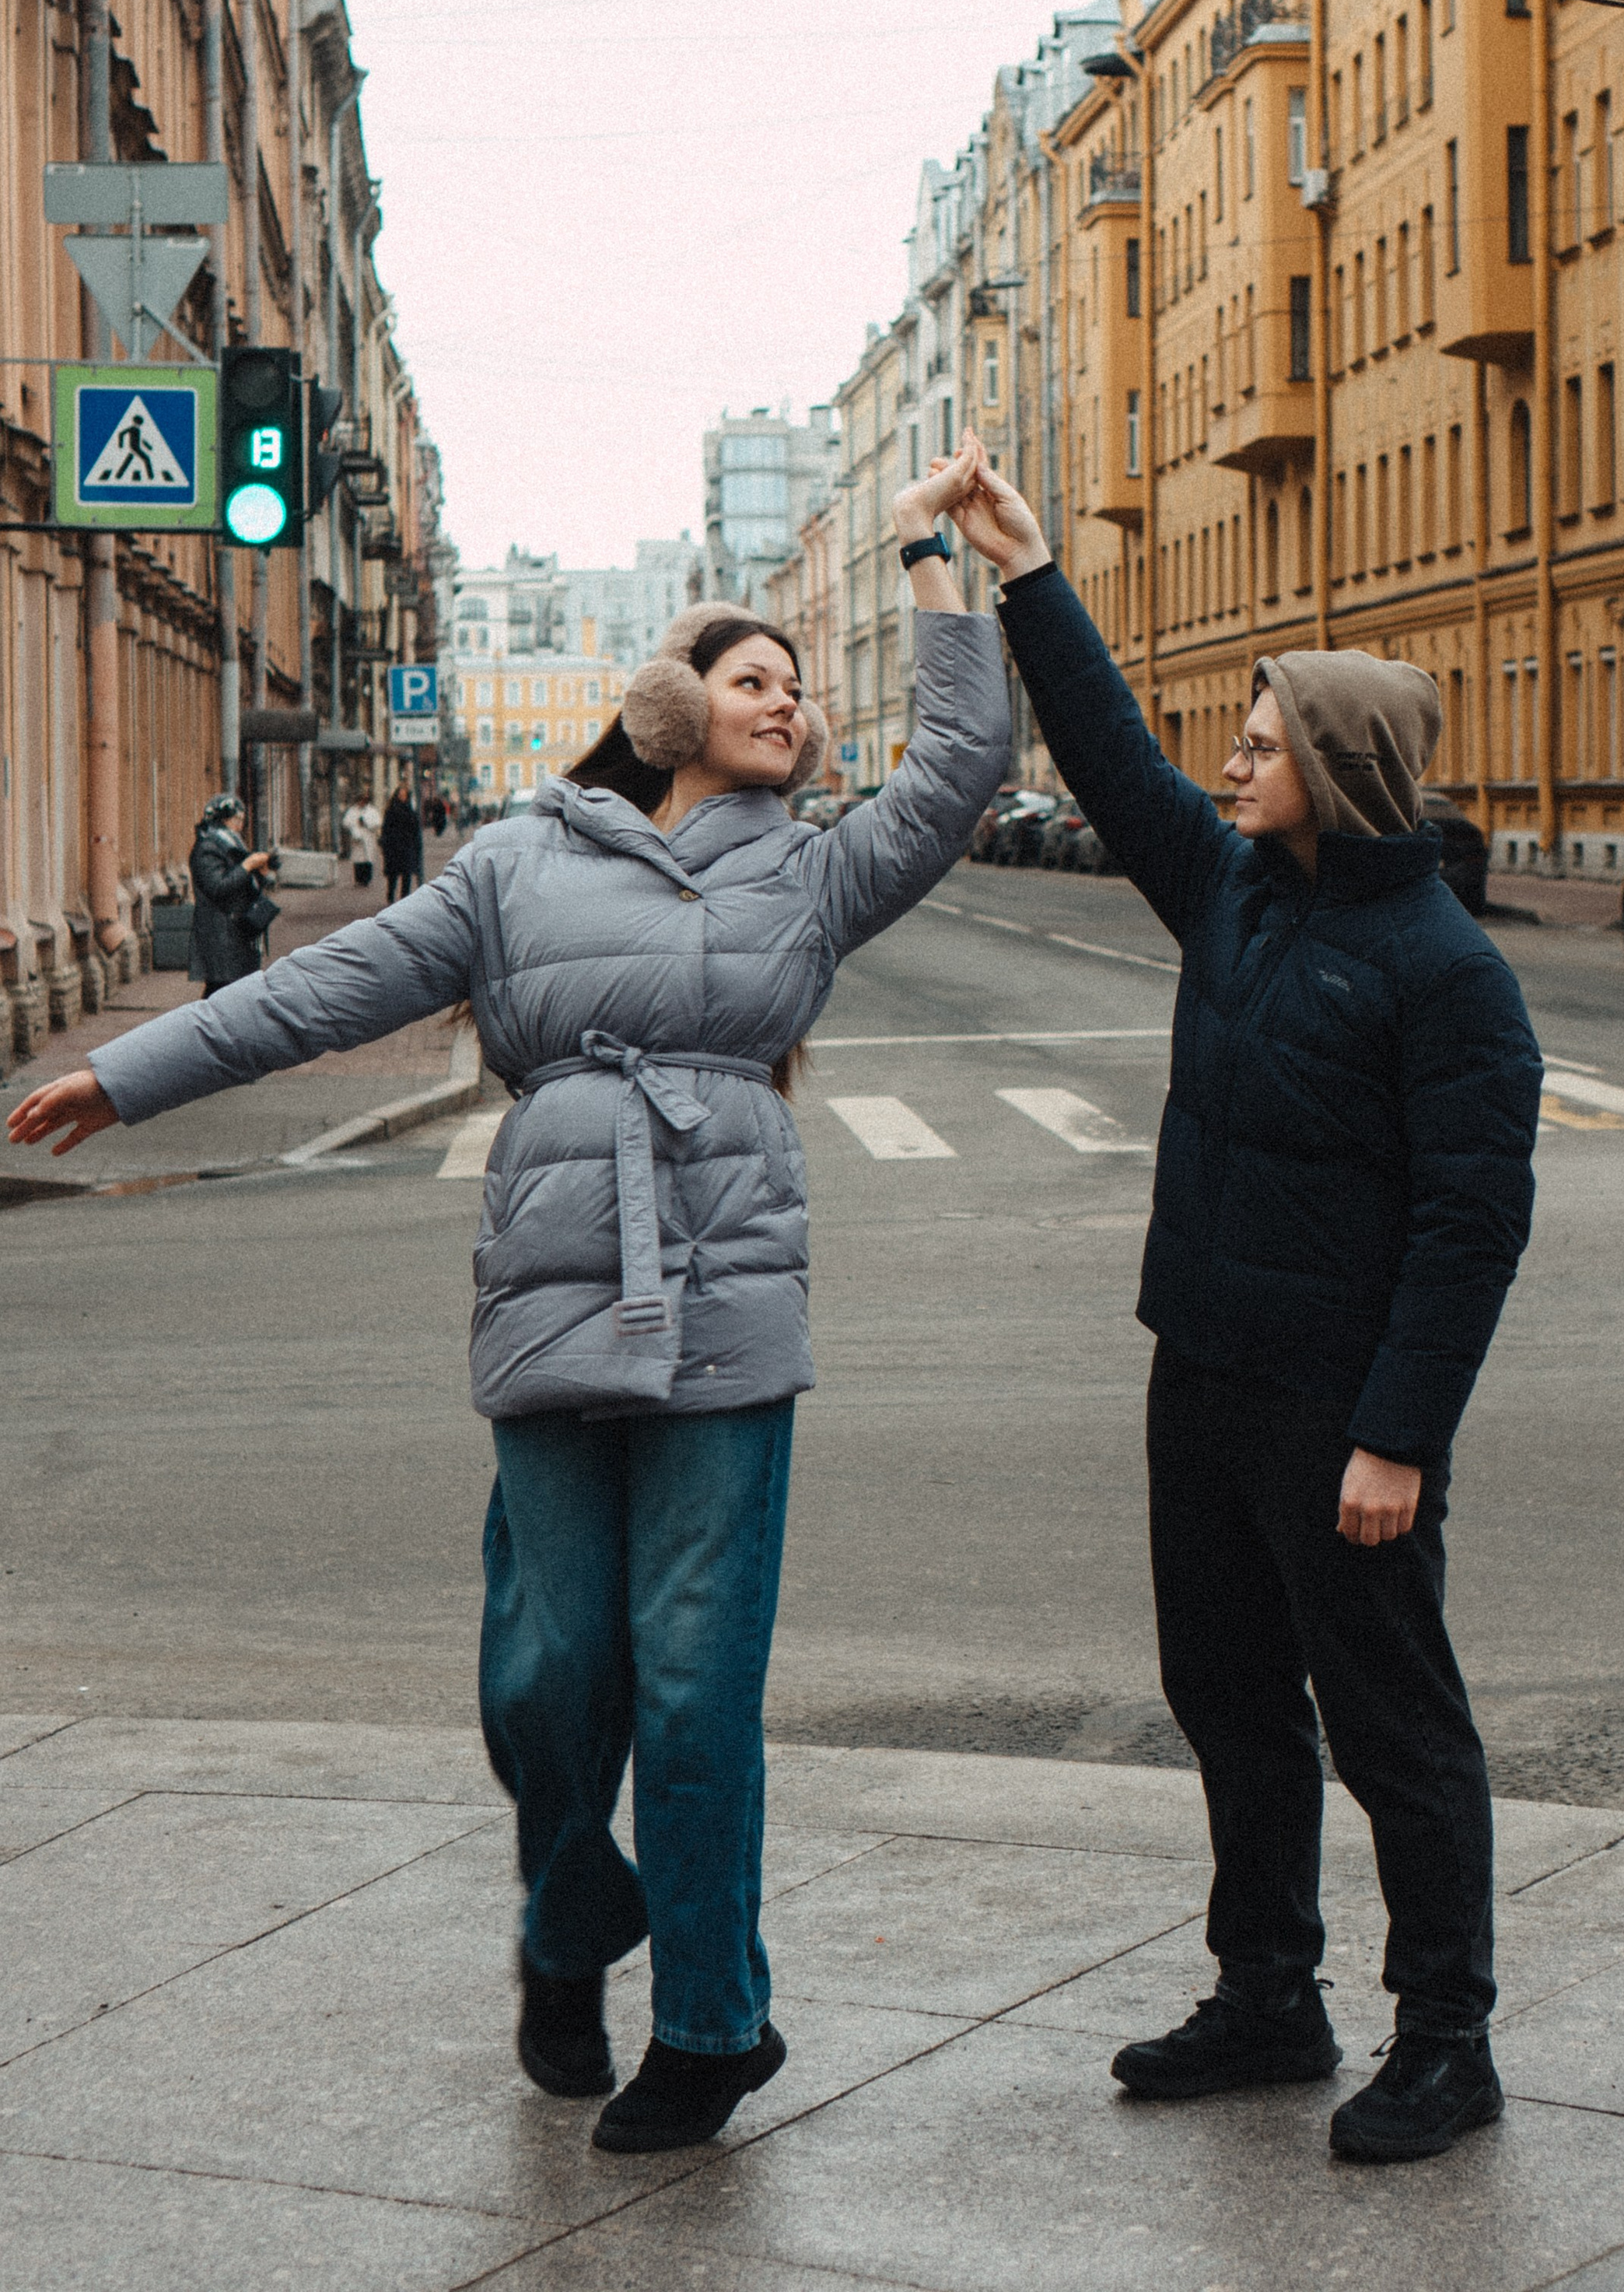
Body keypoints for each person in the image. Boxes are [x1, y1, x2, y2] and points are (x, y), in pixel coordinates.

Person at [7, 442, 1008, 2157]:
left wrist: (933, 553)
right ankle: (567, 1928)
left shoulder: (816, 870)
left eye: (793, 688)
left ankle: (710, 2023)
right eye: (746, 676)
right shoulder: (515, 864)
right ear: (668, 706)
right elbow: (324, 989)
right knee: (546, 1677)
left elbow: (965, 762)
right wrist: (134, 1071)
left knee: (696, 1686)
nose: (782, 700)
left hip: (730, 1293)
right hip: (553, 1279)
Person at [950, 457, 1542, 2165]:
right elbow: (1117, 761)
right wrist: (1025, 576)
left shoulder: (1445, 971)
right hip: (1198, 1371)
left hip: (1336, 1406)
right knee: (1221, 1691)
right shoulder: (1234, 900)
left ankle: (1447, 2037)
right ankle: (1269, 1997)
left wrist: (1397, 1436)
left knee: (1392, 1726)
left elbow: (1470, 1226)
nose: (1232, 761)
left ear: (1336, 771)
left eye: (1263, 741)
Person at [187, 793, 278, 998]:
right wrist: (248, 865)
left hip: (236, 930)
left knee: (230, 992)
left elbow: (243, 884)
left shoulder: (231, 844)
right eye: (236, 819)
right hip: (220, 932)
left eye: (242, 820)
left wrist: (260, 873)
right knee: (221, 993)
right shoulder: (207, 848)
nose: (240, 825)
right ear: (222, 819)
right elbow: (217, 887)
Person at [380, 782, 424, 902]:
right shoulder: (391, 811)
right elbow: (386, 829)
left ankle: (404, 899)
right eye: (401, 795)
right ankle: (390, 897)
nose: (402, 797)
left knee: (407, 874)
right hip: (393, 847)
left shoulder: (411, 811)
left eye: (405, 795)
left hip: (407, 847)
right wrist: (385, 845)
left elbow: (415, 830)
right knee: (393, 876)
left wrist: (416, 845)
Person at [342, 793, 382, 888]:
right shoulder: (352, 811)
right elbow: (346, 822)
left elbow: (377, 822)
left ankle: (366, 880)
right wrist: (354, 825)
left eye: (363, 801)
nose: (361, 803)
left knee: (368, 859)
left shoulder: (372, 811)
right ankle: (359, 879)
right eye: (360, 801)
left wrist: (366, 823)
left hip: (368, 837)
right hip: (357, 837)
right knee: (358, 859)